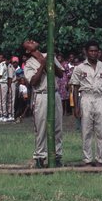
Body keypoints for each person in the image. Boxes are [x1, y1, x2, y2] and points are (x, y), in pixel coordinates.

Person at [70, 41, 102, 166]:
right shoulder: (79, 68)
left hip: (100, 99)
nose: (94, 53)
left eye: (96, 51)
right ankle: (87, 159)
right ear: (86, 52)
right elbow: (75, 88)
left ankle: (100, 158)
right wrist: (76, 106)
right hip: (86, 99)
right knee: (86, 130)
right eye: (91, 51)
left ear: (99, 52)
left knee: (101, 130)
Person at [23, 40, 64, 168]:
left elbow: (60, 73)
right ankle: (40, 157)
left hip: (55, 93)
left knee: (57, 127)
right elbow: (33, 81)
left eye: (32, 40)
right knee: (41, 128)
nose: (31, 41)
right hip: (41, 95)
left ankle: (57, 156)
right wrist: (42, 64)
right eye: (28, 42)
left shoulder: (49, 55)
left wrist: (47, 61)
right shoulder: (28, 63)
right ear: (27, 50)